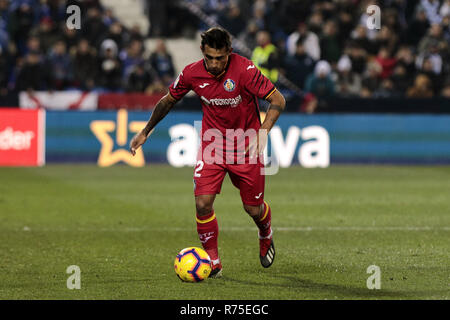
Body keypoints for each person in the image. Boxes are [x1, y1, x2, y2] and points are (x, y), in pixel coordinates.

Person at [129, 27, 286, 278]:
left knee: (253, 209)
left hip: (247, 145)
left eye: (220, 58)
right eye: (209, 58)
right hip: (213, 145)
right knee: (202, 203)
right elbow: (169, 99)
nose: (214, 64)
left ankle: (265, 232)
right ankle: (213, 262)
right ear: (202, 51)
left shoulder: (245, 71)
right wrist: (146, 130)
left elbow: (278, 99)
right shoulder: (192, 73)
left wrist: (264, 130)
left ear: (229, 54)